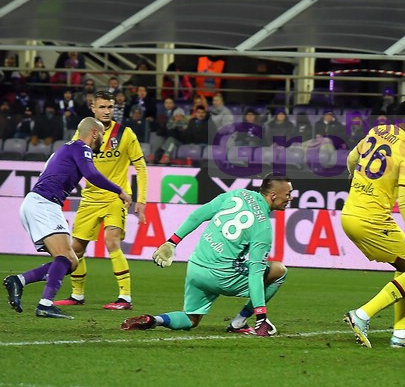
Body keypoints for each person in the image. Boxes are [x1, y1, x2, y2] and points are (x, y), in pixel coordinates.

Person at [121, 174, 294, 335]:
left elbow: (198, 215)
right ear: (273, 195)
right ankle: (239, 322)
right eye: (287, 194)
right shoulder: (263, 228)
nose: (290, 198)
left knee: (191, 319)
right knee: (279, 271)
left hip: (196, 267)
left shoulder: (238, 194)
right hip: (223, 276)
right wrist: (261, 316)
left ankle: (154, 320)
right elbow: (256, 273)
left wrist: (172, 242)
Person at [4, 118, 131, 319]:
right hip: (44, 204)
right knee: (66, 258)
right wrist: (119, 191)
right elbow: (92, 174)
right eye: (102, 135)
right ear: (94, 133)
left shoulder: (65, 149)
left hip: (36, 203)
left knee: (70, 262)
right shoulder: (82, 147)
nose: (103, 140)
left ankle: (19, 280)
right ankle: (45, 304)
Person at [342, 100, 405, 349]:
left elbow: (351, 158)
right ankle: (361, 315)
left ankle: (401, 334)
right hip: (373, 219)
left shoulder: (376, 131)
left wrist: (352, 176)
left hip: (349, 215)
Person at [54, 90, 148, 310]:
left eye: (110, 107)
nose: (106, 111)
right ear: (93, 108)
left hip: (116, 197)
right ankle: (77, 295)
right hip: (90, 198)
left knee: (112, 241)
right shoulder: (83, 133)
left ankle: (125, 297)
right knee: (76, 249)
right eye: (102, 107)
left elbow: (141, 168)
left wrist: (141, 201)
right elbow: (71, 162)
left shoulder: (125, 134)